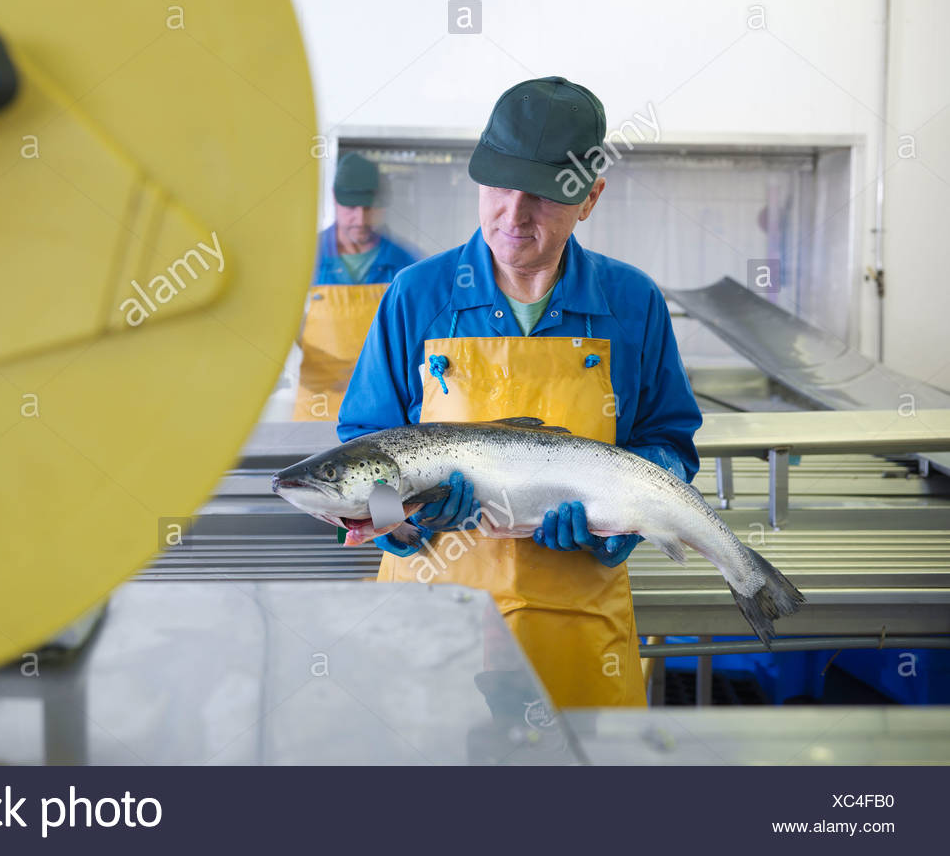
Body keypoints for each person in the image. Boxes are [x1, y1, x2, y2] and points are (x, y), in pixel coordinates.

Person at [339, 76, 702, 708]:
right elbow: (362, 449)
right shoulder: (417, 296)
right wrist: (405, 519)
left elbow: (666, 441)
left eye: (542, 196)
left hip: (577, 617)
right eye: (501, 187)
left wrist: (620, 525)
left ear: (590, 198)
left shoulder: (631, 302)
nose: (514, 215)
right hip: (434, 614)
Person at [294, 153, 417, 420]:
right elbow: (279, 322)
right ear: (335, 199)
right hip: (316, 407)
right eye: (351, 208)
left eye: (369, 208)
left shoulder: (407, 266)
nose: (360, 219)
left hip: (380, 412)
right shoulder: (303, 259)